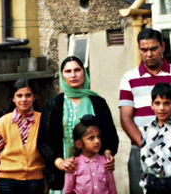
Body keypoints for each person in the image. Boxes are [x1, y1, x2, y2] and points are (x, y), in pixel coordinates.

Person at [119, 28, 171, 194]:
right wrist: (148, 145)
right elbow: (125, 119)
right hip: (140, 149)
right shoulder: (129, 78)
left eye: (154, 48)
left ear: (163, 47)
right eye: (144, 50)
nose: (149, 54)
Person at [37, 56, 119, 193]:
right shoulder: (54, 105)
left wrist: (108, 152)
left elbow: (110, 134)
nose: (73, 75)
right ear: (62, 75)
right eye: (68, 71)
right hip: (63, 173)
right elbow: (43, 141)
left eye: (77, 70)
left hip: (94, 175)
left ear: (84, 72)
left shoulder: (98, 102)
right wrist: (59, 162)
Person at [0, 78, 45, 194]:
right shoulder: (3, 123)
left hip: (35, 180)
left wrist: (47, 180)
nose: (24, 99)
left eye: (28, 95)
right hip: (8, 181)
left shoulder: (42, 120)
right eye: (19, 96)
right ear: (13, 99)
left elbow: (47, 151)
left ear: (34, 97)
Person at [63, 114, 117, 194]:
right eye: (91, 138)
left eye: (98, 137)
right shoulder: (74, 165)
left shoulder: (106, 162)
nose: (97, 141)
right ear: (79, 144)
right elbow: (68, 191)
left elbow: (112, 189)